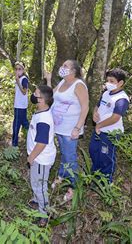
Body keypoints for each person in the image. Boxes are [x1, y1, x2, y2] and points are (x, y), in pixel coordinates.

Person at [45, 60, 89, 202]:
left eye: (65, 66)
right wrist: (49, 80)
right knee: (64, 153)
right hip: (59, 127)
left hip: (71, 129)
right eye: (62, 65)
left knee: (70, 158)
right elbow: (51, 96)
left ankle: (74, 187)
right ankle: (62, 176)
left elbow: (85, 107)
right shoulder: (62, 83)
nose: (62, 67)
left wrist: (78, 128)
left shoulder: (79, 85)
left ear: (73, 71)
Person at [89, 68, 130, 183]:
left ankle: (106, 182)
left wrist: (99, 125)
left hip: (110, 133)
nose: (108, 83)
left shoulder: (122, 99)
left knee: (106, 156)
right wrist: (94, 114)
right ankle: (95, 176)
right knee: (93, 150)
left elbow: (115, 117)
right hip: (99, 130)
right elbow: (98, 106)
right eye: (107, 80)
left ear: (120, 83)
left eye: (112, 81)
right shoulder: (106, 93)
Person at [27, 85, 56, 227]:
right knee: (35, 181)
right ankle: (37, 200)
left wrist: (32, 156)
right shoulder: (41, 111)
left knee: (40, 186)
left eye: (36, 94)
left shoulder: (44, 119)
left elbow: (41, 143)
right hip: (38, 158)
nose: (33, 95)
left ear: (42, 100)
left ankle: (44, 213)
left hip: (41, 158)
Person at [12, 61, 29, 147]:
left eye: (20, 69)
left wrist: (18, 82)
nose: (18, 71)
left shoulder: (24, 79)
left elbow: (24, 92)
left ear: (23, 70)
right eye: (16, 69)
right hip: (18, 105)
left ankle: (14, 145)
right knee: (24, 122)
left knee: (16, 124)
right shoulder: (19, 78)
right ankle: (33, 133)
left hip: (20, 106)